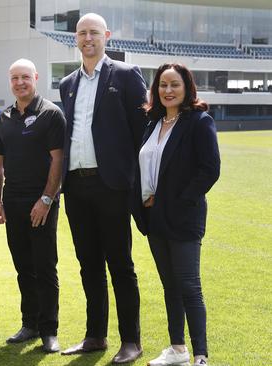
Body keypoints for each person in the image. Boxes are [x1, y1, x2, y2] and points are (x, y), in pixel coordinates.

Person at [58, 13, 148, 364]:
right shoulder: (68, 83)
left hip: (111, 186)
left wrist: (137, 182)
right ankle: (95, 335)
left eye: (94, 32)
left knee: (120, 264)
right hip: (76, 187)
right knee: (88, 264)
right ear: (76, 40)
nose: (88, 38)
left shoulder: (126, 75)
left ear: (106, 36)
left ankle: (132, 341)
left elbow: (143, 130)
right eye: (82, 33)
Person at [135, 63, 219, 366]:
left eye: (174, 85)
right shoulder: (152, 122)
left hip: (183, 217)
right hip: (153, 218)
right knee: (170, 285)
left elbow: (209, 170)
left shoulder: (199, 121)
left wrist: (172, 200)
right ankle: (177, 349)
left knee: (188, 286)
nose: (168, 91)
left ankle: (200, 357)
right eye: (162, 85)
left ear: (187, 88)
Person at [0, 59, 65, 353]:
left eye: (25, 77)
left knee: (45, 266)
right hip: (14, 201)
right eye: (14, 78)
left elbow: (58, 160)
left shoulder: (50, 114)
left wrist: (46, 200)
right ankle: (30, 323)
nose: (20, 83)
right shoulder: (5, 117)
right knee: (24, 267)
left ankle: (49, 330)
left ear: (35, 78)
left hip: (41, 202)